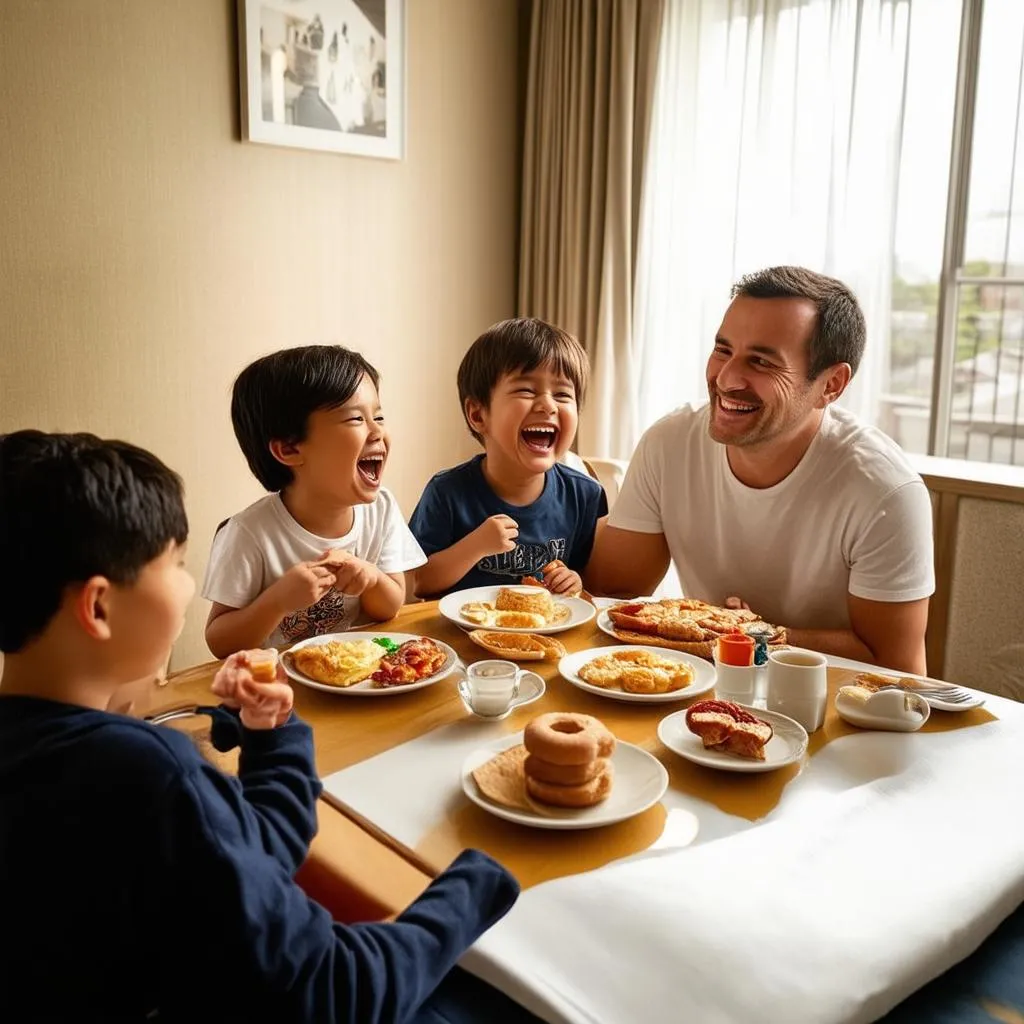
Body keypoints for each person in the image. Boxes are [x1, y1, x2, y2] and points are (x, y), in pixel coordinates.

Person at [0, 430, 531, 1022]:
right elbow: (338, 991)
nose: (188, 584)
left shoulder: (60, 757)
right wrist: (484, 877)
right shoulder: (149, 773)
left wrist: (272, 734)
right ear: (98, 607)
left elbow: (243, 856)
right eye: (175, 564)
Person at [586, 266, 935, 674]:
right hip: (707, 688)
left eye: (762, 362)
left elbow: (894, 666)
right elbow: (613, 591)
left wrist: (759, 635)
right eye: (723, 350)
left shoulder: (886, 490)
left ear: (831, 385)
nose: (727, 378)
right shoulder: (669, 443)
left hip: (830, 709)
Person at [203, 346, 425, 658]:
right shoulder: (249, 534)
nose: (378, 431)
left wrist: (370, 578)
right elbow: (220, 642)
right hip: (280, 691)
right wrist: (278, 601)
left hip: (358, 679)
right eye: (355, 419)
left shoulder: (381, 508)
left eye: (378, 416)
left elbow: (391, 607)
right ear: (289, 450)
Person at [410, 317, 607, 599]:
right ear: (478, 414)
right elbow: (417, 582)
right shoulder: (446, 492)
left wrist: (574, 580)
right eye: (526, 390)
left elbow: (593, 581)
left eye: (563, 394)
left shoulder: (584, 495)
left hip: (547, 637)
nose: (549, 405)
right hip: (459, 639)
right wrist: (474, 546)